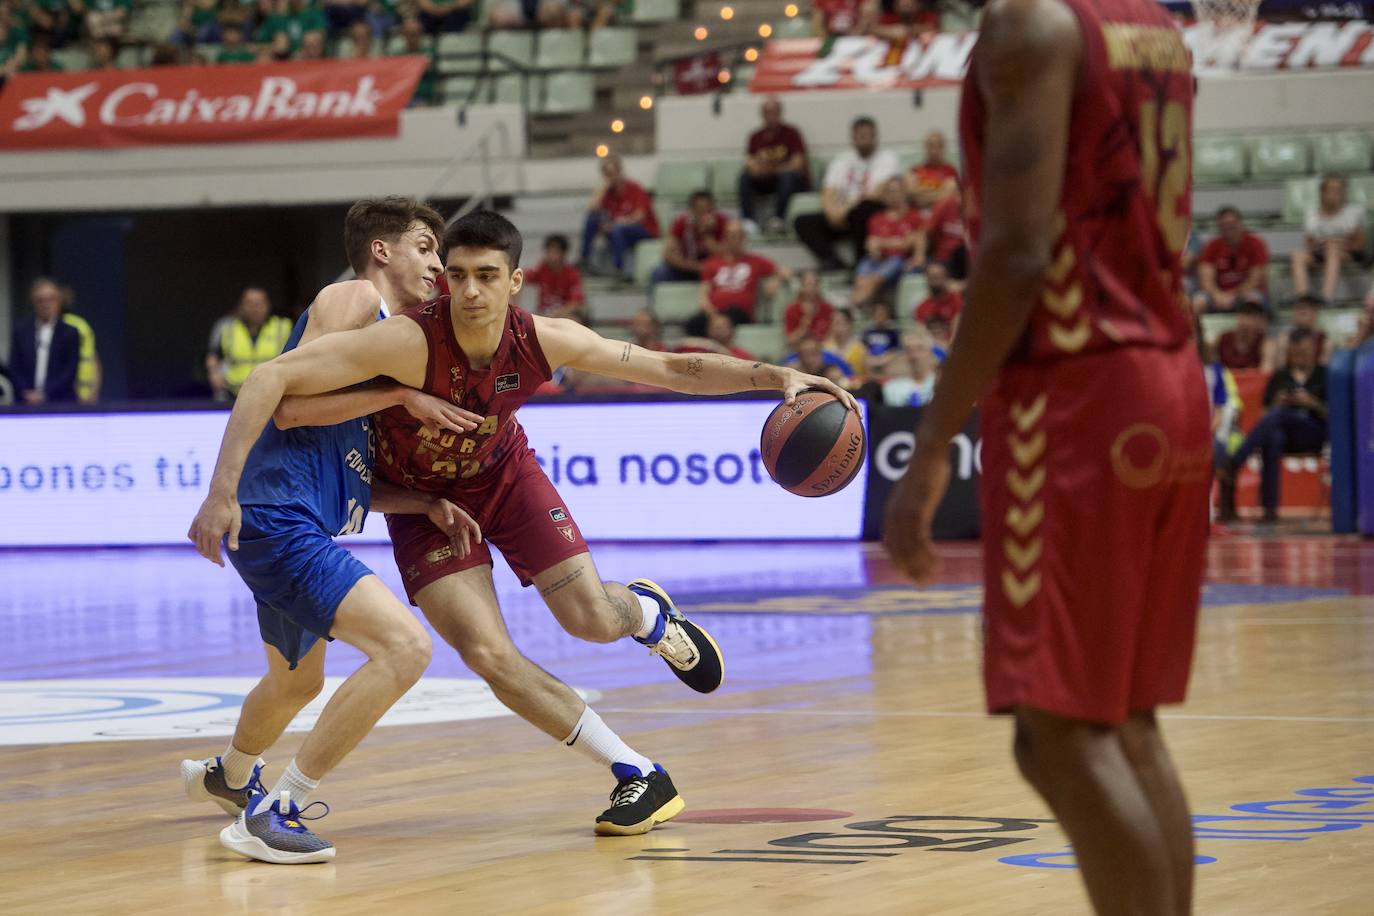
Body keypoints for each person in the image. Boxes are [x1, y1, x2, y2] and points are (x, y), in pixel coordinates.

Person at [188, 209, 857, 839]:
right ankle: (636, 773)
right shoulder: (398, 337)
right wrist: (401, 475)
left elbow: (668, 367)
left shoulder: (542, 338)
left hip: (503, 477)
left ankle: (647, 614)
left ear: (515, 281)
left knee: (592, 620)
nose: (467, 289)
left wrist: (775, 376)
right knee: (487, 656)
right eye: (456, 273)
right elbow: (285, 393)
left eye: (485, 275)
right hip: (428, 503)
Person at [882, 2, 1207, 914]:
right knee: (1124, 723)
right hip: (1166, 371)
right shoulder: (1151, 24)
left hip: (1078, 391)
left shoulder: (1031, 24)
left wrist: (934, 442)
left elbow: (1019, 254)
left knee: (1060, 734)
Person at [184, 198, 484, 864]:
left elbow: (339, 463)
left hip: (292, 518)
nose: (437, 265)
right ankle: (275, 813)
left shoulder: (379, 346)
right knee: (405, 648)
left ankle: (230, 776)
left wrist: (422, 503)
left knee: (297, 682)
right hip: (276, 517)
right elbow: (283, 400)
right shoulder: (354, 298)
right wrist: (221, 492)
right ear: (381, 251)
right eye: (424, 247)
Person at [1222, 328, 1328, 524]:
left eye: (1305, 352)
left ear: (1314, 350)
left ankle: (1234, 462)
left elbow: (1334, 416)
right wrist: (1278, 402)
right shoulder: (1280, 377)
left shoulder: (1325, 375)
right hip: (1285, 436)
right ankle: (1269, 511)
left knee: (1277, 416)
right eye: (1296, 352)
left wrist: (1311, 403)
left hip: (1314, 432)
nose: (1301, 356)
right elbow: (1264, 416)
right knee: (1273, 437)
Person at [793, 116, 901, 272]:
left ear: (875, 136)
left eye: (867, 135)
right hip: (842, 216)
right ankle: (833, 262)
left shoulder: (887, 159)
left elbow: (875, 194)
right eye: (860, 135)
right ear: (853, 137)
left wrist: (846, 210)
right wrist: (832, 213)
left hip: (868, 215)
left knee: (865, 209)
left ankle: (861, 263)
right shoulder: (841, 162)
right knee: (802, 221)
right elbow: (828, 192)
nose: (863, 139)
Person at [688, 218, 788, 338]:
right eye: (731, 236)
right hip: (715, 312)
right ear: (725, 238)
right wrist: (713, 314)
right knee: (693, 324)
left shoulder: (755, 261)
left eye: (739, 236)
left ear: (744, 238)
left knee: (731, 314)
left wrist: (775, 280)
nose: (735, 240)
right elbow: (703, 293)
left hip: (740, 313)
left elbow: (786, 271)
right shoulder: (712, 263)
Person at [850, 177, 925, 311]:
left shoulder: (914, 216)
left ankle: (854, 306)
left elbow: (907, 244)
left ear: (904, 193)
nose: (893, 196)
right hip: (877, 259)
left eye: (896, 191)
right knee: (862, 276)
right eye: (889, 192)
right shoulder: (876, 219)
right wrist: (889, 244)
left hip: (899, 260)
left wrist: (882, 243)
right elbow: (871, 243)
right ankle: (857, 306)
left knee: (876, 277)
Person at [580, 154, 659, 280]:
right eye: (607, 174)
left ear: (620, 172)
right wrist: (603, 187)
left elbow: (639, 217)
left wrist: (616, 224)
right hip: (619, 231)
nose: (610, 177)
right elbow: (591, 210)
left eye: (612, 173)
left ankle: (619, 269)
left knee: (617, 229)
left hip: (644, 230)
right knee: (592, 220)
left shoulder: (634, 188)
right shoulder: (608, 193)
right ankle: (584, 260)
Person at [738, 96, 810, 234]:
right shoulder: (755, 136)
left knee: (787, 176)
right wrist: (757, 168)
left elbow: (797, 164)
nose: (771, 116)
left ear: (780, 113)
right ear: (762, 115)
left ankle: (779, 219)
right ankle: (748, 221)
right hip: (767, 181)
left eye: (774, 112)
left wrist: (771, 169)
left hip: (790, 182)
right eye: (767, 112)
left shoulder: (792, 133)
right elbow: (749, 163)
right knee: (744, 178)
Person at [208, 287, 294, 400]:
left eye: (258, 304)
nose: (254, 309)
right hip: (233, 393)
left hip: (273, 392)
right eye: (249, 304)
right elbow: (213, 355)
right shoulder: (227, 328)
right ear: (240, 306)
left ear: (268, 305)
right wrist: (214, 373)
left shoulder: (283, 327)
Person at [1292, 175, 1368, 303]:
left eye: (1338, 190)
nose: (1335, 194)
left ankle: (1327, 297)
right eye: (1331, 190)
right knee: (1297, 255)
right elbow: (1308, 244)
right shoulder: (1311, 215)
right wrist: (1319, 246)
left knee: (1333, 247)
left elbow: (1360, 245)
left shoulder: (1353, 213)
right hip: (1320, 252)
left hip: (1346, 254)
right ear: (1322, 193)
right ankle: (1303, 297)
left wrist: (1340, 244)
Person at [10, 277, 81, 404]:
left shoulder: (69, 333)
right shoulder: (21, 331)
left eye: (50, 299)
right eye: (40, 300)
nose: (46, 305)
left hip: (60, 402)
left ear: (58, 302)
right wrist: (27, 393)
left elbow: (69, 370)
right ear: (33, 303)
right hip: (26, 402)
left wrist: (44, 394)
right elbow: (14, 366)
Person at [1195, 205, 1268, 313]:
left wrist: (1233, 294)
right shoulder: (1211, 246)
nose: (1228, 229)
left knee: (1253, 301)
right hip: (1217, 295)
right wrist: (1217, 294)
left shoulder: (1255, 243)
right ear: (1219, 227)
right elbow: (1206, 280)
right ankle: (1193, 325)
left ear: (1240, 224)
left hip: (1247, 292)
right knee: (1198, 302)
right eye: (1224, 226)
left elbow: (1255, 280)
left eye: (1232, 225)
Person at [653, 190, 728, 285]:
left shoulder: (724, 223)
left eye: (709, 211)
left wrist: (706, 235)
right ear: (692, 211)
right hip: (688, 267)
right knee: (660, 273)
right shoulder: (682, 223)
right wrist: (696, 267)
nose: (705, 215)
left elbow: (727, 255)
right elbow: (668, 254)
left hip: (715, 269)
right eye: (700, 211)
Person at [523, 234, 587, 322]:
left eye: (555, 252)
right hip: (544, 315)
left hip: (563, 316)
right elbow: (521, 277)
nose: (551, 256)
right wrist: (514, 304)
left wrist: (555, 314)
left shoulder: (572, 274)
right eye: (549, 252)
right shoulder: (542, 268)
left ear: (564, 254)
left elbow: (576, 303)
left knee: (574, 320)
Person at [58, 284, 101, 403]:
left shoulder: (78, 325)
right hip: (66, 394)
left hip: (81, 394)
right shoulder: (80, 324)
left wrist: (94, 391)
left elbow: (92, 358)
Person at [880, 329, 937, 407]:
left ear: (931, 354)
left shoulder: (941, 387)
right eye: (909, 350)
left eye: (920, 349)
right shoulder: (891, 388)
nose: (914, 356)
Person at [906, 130, 960, 211]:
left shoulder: (950, 170)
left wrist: (922, 192)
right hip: (919, 213)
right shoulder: (914, 170)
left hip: (941, 213)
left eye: (938, 146)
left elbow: (947, 197)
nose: (934, 150)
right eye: (930, 146)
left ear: (943, 148)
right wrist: (938, 193)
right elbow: (911, 194)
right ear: (925, 147)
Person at [783, 270, 836, 351]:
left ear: (819, 287)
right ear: (801, 287)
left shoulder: (827, 308)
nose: (811, 288)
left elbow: (832, 335)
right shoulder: (791, 310)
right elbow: (790, 341)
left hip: (823, 351)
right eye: (808, 284)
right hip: (799, 351)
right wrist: (804, 326)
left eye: (815, 285)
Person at [1215, 301, 1276, 372]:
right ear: (1238, 318)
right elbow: (1211, 369)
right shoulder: (1222, 339)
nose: (1247, 322)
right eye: (1245, 317)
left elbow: (1266, 371)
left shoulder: (1266, 343)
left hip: (1253, 379)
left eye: (1253, 320)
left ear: (1260, 322)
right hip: (1225, 378)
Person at [925, 186, 967, 279]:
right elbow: (930, 231)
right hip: (944, 257)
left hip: (967, 259)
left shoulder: (976, 208)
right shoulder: (945, 205)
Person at [676, 311, 755, 361]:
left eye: (724, 327)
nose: (720, 331)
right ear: (708, 330)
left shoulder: (743, 354)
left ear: (732, 330)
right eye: (716, 327)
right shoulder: (702, 350)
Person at [1275, 294, 1329, 366]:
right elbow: (1281, 367)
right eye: (1299, 309)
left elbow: (1323, 367)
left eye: (1307, 309)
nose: (1302, 313)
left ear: (1315, 314)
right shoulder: (1284, 339)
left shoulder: (1324, 340)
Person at [785, 335, 852, 385]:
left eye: (814, 354)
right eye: (805, 355)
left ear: (821, 354)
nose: (810, 360)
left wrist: (838, 381)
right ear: (799, 356)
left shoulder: (832, 373)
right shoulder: (793, 373)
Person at [914, 261, 962, 329]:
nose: (935, 281)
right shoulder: (921, 308)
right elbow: (920, 331)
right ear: (927, 279)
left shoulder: (956, 300)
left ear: (946, 278)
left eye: (938, 277)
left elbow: (958, 327)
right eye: (932, 277)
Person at [827, 306, 867, 380]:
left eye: (839, 323)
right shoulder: (825, 348)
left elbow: (867, 374)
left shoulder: (860, 348)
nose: (836, 327)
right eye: (833, 323)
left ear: (849, 324)